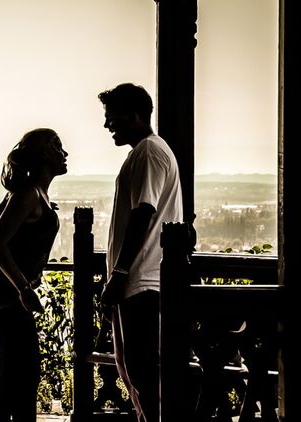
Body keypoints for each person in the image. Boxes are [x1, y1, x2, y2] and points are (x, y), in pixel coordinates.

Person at [97, 83, 183, 422]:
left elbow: (143, 211)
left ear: (135, 115)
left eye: (112, 117)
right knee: (136, 371)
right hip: (141, 279)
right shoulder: (148, 152)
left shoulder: (148, 152)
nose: (107, 125)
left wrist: (119, 274)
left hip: (142, 280)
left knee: (143, 372)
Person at [0, 127, 68, 422]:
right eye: (57, 146)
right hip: (6, 293)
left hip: (4, 291)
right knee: (23, 369)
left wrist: (16, 197)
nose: (64, 153)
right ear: (43, 154)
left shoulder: (29, 194)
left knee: (18, 368)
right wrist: (24, 289)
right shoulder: (29, 195)